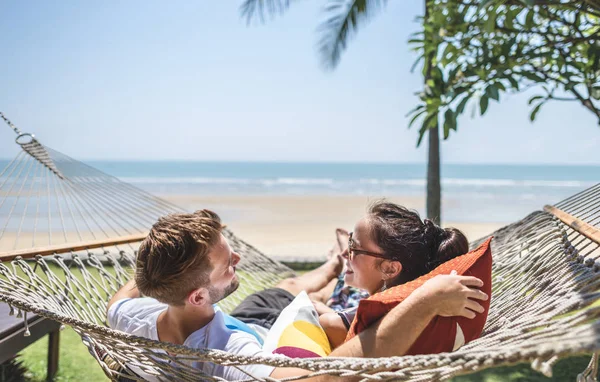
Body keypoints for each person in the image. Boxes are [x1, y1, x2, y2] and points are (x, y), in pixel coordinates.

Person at [107, 209, 488, 381]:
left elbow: (119, 299)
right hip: (262, 325)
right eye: (229, 263)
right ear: (196, 297)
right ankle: (330, 274)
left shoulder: (130, 316)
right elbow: (323, 379)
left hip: (237, 310)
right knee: (292, 292)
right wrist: (425, 301)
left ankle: (329, 270)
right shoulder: (234, 353)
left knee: (290, 286)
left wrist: (159, 264)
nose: (239, 257)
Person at [315, 202, 471, 348]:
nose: (345, 253)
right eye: (349, 242)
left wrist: (316, 307)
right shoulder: (411, 307)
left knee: (306, 291)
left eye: (353, 248)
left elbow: (331, 323)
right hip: (355, 290)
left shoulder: (338, 325)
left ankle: (334, 259)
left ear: (390, 269)